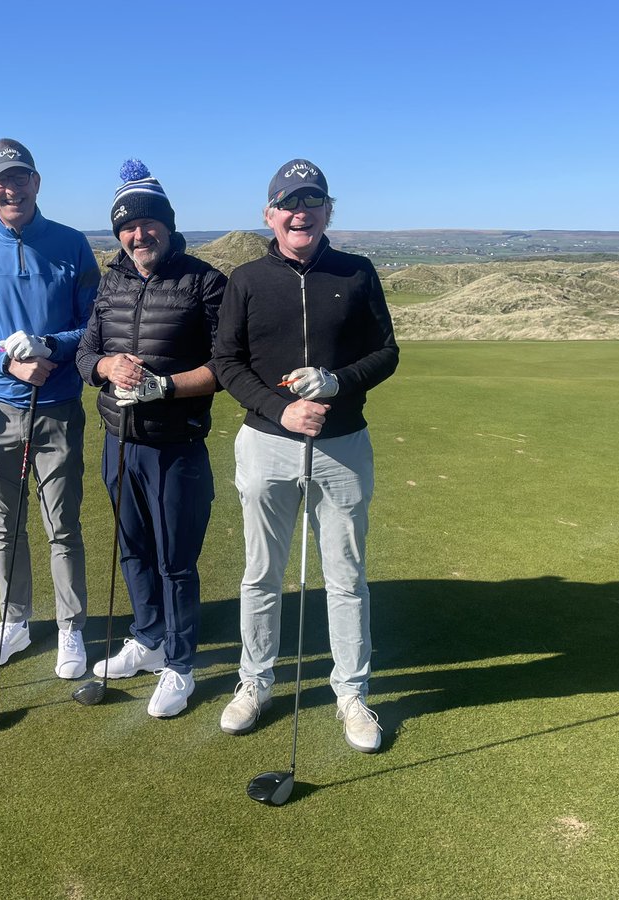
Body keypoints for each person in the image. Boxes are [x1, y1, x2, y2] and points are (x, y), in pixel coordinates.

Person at [212, 158, 399, 752]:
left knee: (345, 579)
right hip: (266, 445)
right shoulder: (245, 279)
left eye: (313, 202)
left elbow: (387, 353)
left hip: (343, 447)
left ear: (327, 212)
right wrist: (280, 409)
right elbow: (226, 362)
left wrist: (337, 382)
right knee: (261, 574)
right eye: (290, 203)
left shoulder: (358, 272)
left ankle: (350, 693)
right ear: (270, 214)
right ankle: (255, 682)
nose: (302, 212)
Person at [76, 160, 226, 718]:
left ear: (167, 223)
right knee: (133, 549)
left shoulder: (204, 281)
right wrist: (106, 367)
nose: (140, 235)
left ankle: (180, 664)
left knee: (175, 561)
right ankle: (146, 637)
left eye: (149, 223)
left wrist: (163, 387)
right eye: (128, 226)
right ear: (119, 233)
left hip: (176, 445)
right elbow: (84, 354)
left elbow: (226, 366)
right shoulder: (111, 281)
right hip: (119, 441)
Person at [0, 138, 98, 680]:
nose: (11, 188)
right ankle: (15, 622)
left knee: (63, 523)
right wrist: (5, 362)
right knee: (5, 523)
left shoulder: (73, 245)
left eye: (20, 178)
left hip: (57, 406)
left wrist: (50, 346)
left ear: (37, 182)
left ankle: (70, 628)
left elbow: (91, 326)